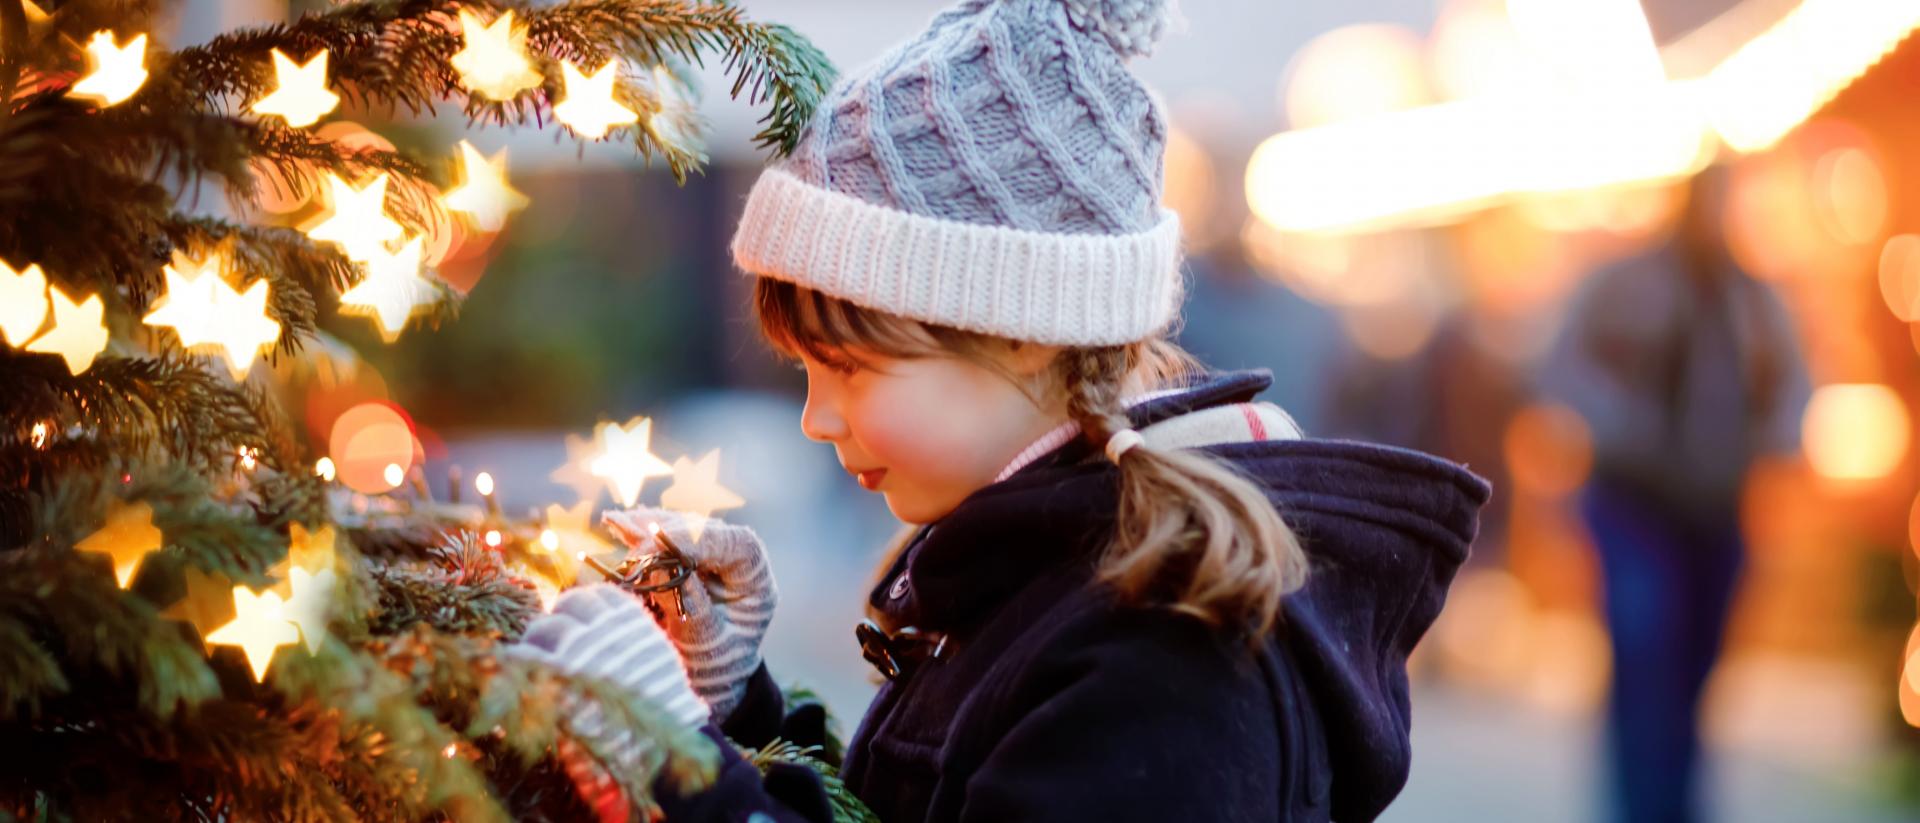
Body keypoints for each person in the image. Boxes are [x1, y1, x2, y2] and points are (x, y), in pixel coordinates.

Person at [507, 1, 1491, 820]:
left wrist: (671, 763)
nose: (816, 418)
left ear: (1020, 329)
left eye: (848, 368)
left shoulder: (1170, 661)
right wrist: (740, 702)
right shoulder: (1030, 571)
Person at [1539, 165, 1811, 823]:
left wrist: (1768, 440)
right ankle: (1640, 803)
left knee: (1696, 665)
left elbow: (1796, 386)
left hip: (1717, 509)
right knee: (1646, 650)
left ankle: (1678, 801)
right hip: (1635, 502)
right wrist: (1621, 427)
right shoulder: (1626, 283)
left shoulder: (1753, 299)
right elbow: (1558, 367)